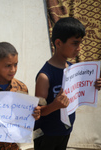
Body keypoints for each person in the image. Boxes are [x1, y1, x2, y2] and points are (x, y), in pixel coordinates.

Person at [34, 17, 87, 150]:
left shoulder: (72, 69)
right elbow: (38, 112)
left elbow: (78, 92)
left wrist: (93, 86)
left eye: (80, 43)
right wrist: (55, 105)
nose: (79, 48)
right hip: (46, 135)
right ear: (58, 43)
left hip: (65, 131)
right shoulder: (45, 76)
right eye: (75, 43)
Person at [0, 42, 40, 150]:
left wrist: (34, 115)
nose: (13, 70)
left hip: (13, 147)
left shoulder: (21, 88)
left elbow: (24, 118)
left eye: (16, 64)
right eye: (8, 66)